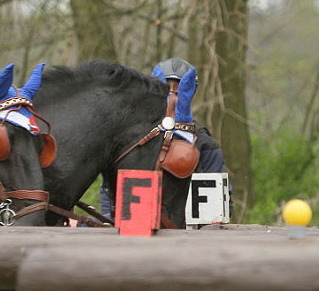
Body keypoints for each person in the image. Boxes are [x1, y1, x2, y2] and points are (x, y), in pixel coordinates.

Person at [99, 57, 232, 220]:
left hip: (185, 235)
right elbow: (109, 188)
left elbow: (220, 207)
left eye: (178, 92)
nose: (172, 98)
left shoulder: (206, 144)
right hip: (131, 228)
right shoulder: (131, 137)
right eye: (166, 91)